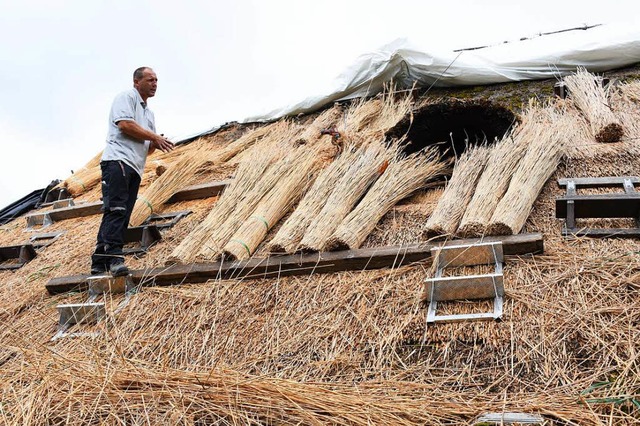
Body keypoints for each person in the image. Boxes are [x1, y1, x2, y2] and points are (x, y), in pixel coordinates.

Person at [90, 67, 174, 276]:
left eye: (156, 80)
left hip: (135, 167)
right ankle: (115, 258)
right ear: (136, 82)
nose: (154, 84)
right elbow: (125, 125)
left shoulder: (149, 114)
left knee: (123, 214)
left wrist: (156, 141)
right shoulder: (126, 97)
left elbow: (148, 146)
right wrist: (153, 137)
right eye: (150, 80)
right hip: (118, 160)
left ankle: (99, 261)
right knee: (116, 209)